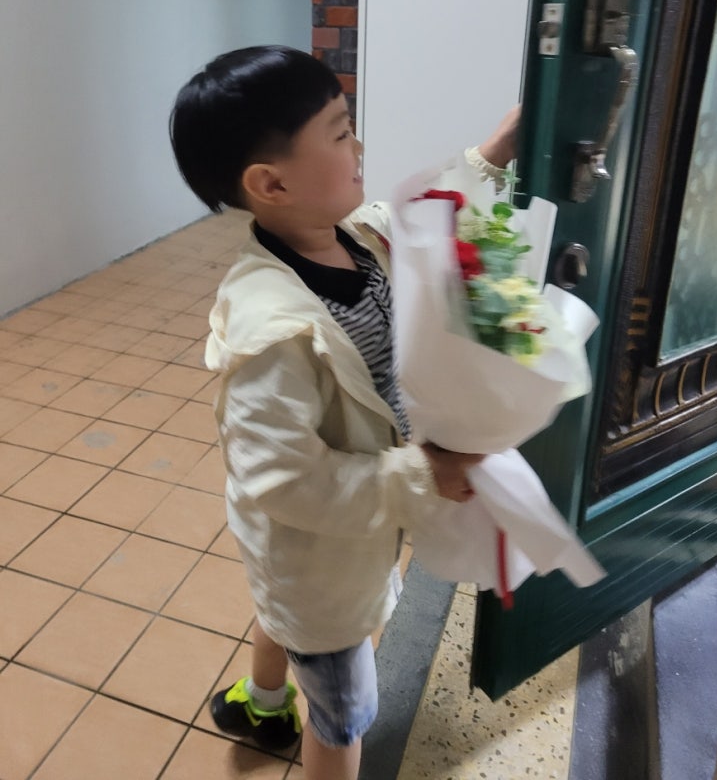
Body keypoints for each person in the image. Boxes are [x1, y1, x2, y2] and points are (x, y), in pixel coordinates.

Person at [169, 46, 519, 780]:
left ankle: (263, 701)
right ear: (271, 183)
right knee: (343, 711)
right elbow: (285, 481)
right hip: (314, 555)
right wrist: (421, 476)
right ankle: (294, 718)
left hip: (329, 547)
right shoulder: (270, 333)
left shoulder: (355, 237)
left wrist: (493, 152)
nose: (358, 146)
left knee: (282, 611)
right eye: (338, 132)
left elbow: (422, 217)